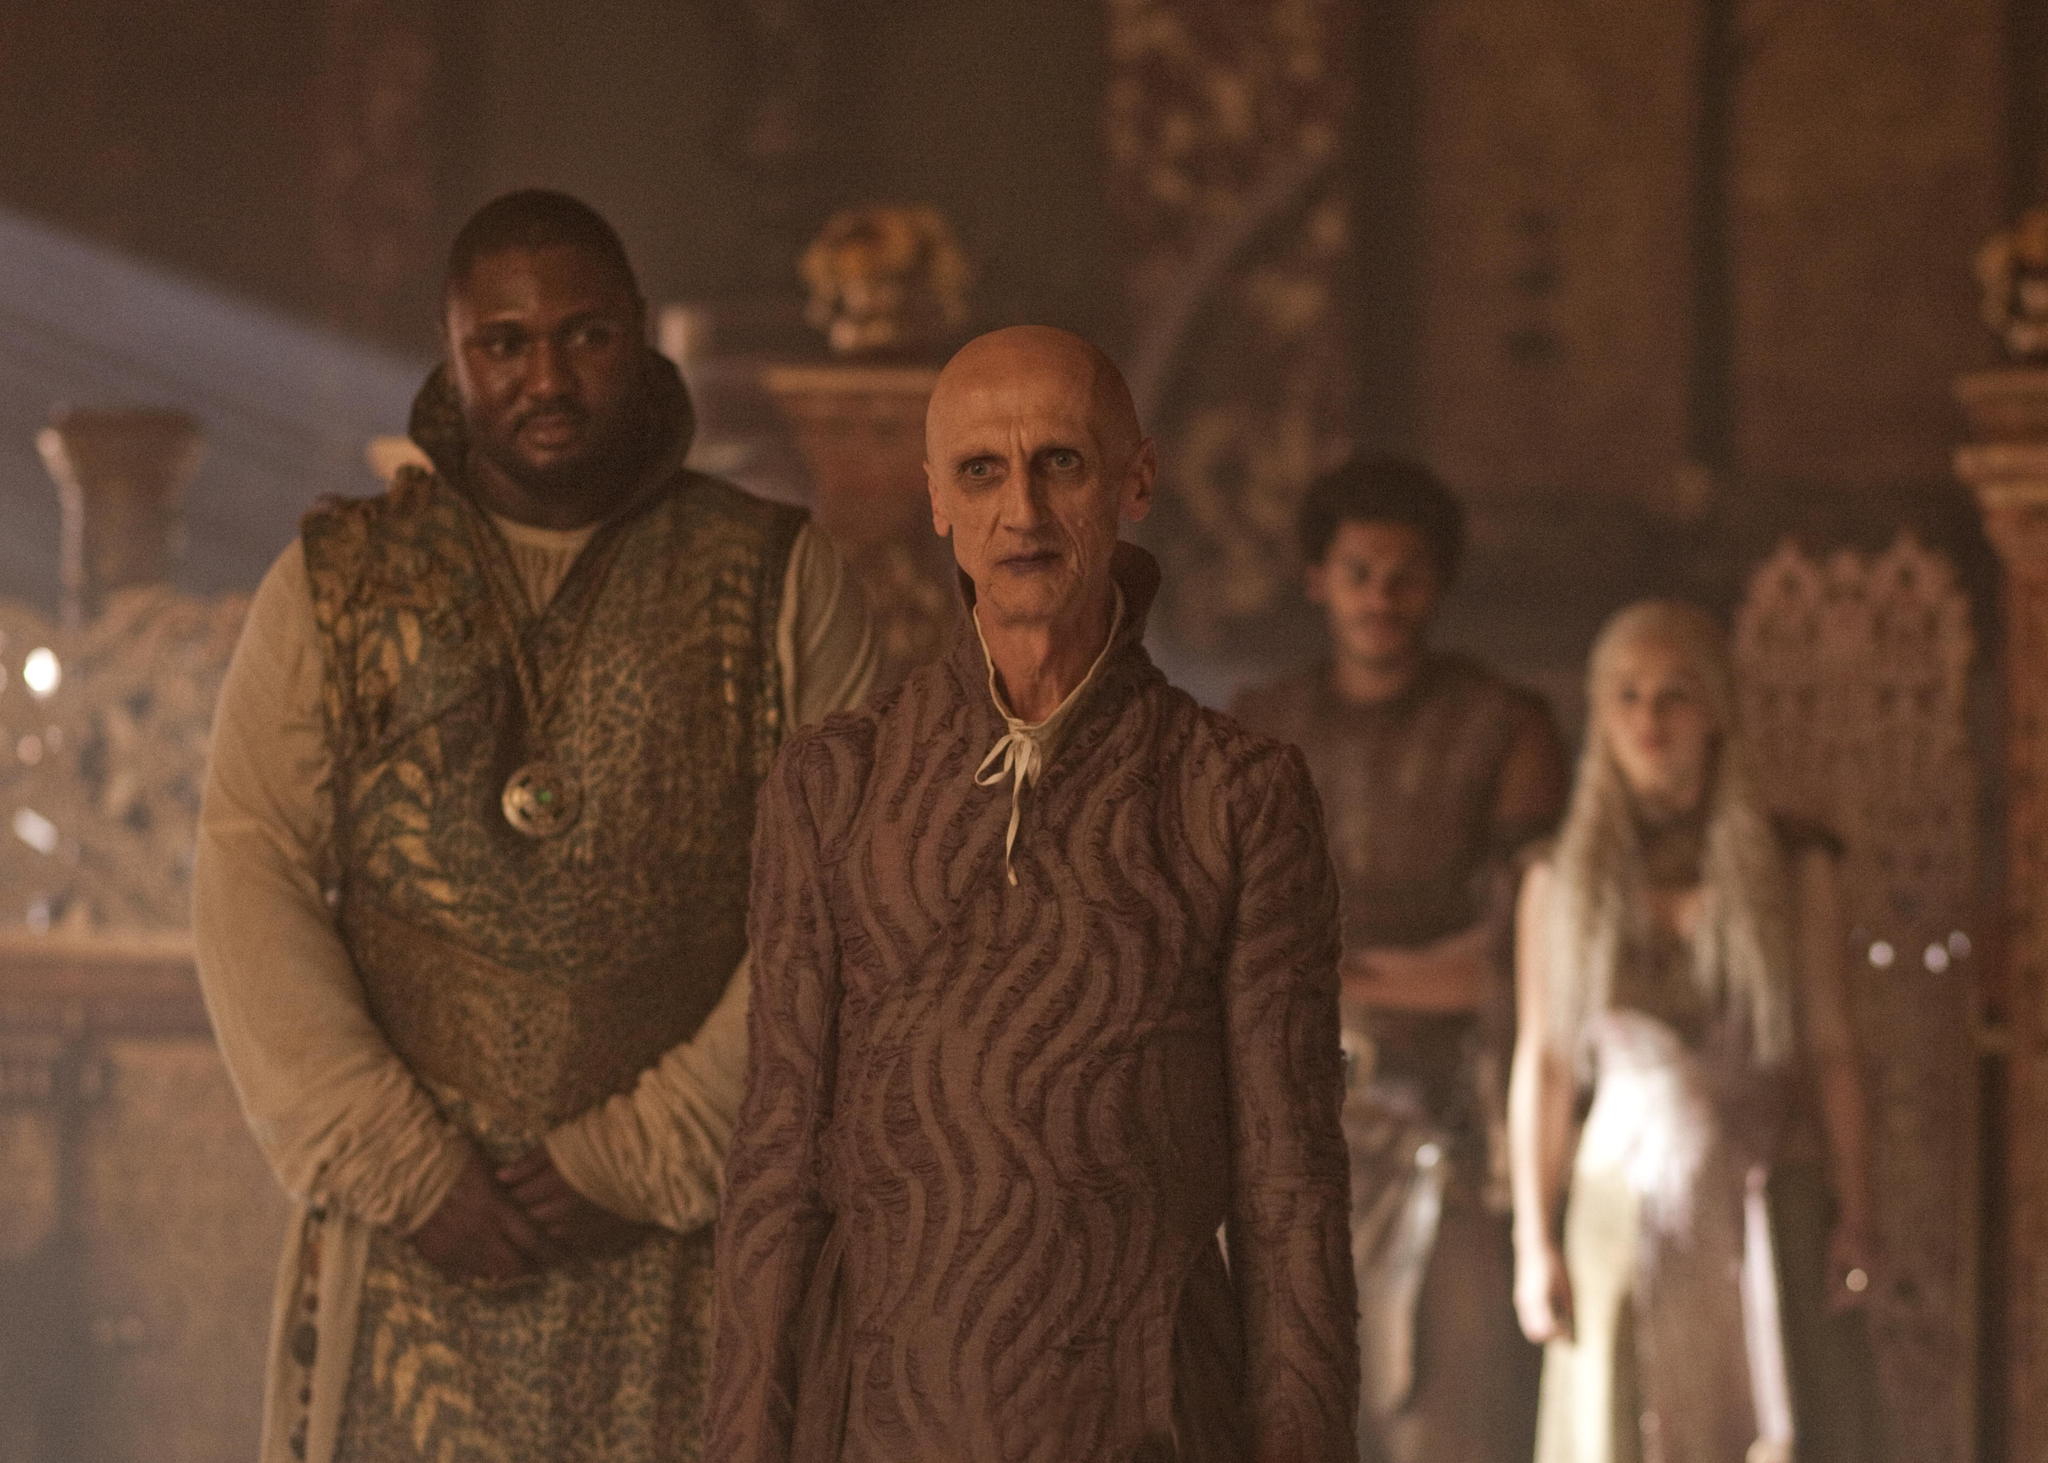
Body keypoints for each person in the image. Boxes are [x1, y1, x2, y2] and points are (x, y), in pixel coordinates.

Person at [193, 189, 875, 1463]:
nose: (546, 378)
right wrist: (399, 1163)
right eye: (502, 343)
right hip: (412, 1241)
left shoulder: (779, 575)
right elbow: (249, 870)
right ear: (451, 353)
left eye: (585, 335)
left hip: (696, 1239)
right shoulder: (339, 579)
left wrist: (649, 1150)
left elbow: (845, 899)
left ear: (640, 331)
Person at [707, 325, 1357, 1462]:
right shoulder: (836, 783)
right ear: (936, 501)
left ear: (1134, 481)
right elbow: (775, 1166)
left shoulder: (1233, 794)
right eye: (980, 471)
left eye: (1059, 461)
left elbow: (1288, 1188)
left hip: (1150, 1417)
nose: (1022, 511)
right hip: (883, 1419)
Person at [1229, 455, 1567, 1463]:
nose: (1380, 597)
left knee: (1447, 1412)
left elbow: (1529, 948)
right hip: (1287, 1116)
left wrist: (1332, 974)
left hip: (1451, 1111)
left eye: (1404, 575)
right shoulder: (1259, 724)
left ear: (1439, 581)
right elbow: (1224, 935)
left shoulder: (1504, 726)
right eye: (1358, 571)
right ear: (1316, 578)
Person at [1508, 601, 1880, 1463]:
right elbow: (1547, 1062)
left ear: (1715, 709)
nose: (1650, 717)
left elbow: (1830, 1046)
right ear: (1601, 714)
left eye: (1675, 693)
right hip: (1616, 1208)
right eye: (1628, 694)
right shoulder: (1558, 877)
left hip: (1765, 1194)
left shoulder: (1793, 864)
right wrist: (1534, 1237)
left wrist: (1857, 1211)